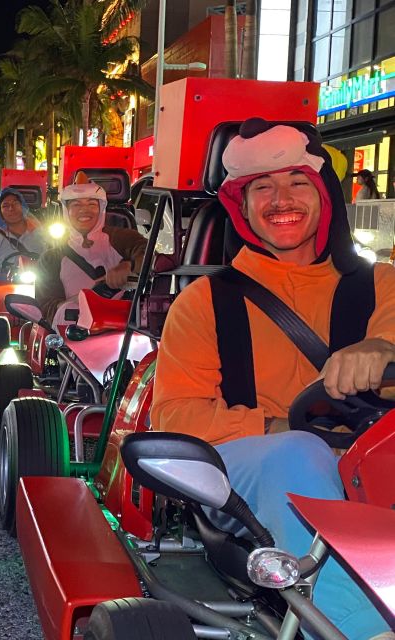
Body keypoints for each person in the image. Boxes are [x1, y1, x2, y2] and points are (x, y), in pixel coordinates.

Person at [152, 118, 395, 640]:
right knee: (297, 454)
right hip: (254, 472)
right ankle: (362, 629)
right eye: (263, 187)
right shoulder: (204, 302)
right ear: (242, 209)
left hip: (369, 467)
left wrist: (382, 346)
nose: (280, 199)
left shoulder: (382, 285)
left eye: (297, 183)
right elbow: (174, 415)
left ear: (325, 195)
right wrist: (283, 425)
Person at [35, 177, 147, 325]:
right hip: (73, 334)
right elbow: (45, 305)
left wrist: (129, 266)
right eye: (76, 205)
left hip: (124, 330)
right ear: (66, 210)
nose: (84, 210)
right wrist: (73, 307)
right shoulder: (50, 259)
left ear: (101, 208)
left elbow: (150, 256)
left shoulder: (124, 238)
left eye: (91, 204)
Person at [0, 188, 46, 281]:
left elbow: (53, 265)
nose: (11, 208)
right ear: (0, 211)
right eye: (5, 205)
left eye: (15, 204)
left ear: (23, 207)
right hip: (3, 292)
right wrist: (3, 276)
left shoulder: (42, 236)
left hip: (38, 291)